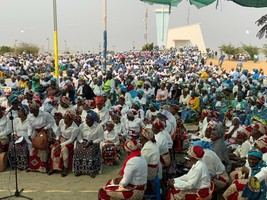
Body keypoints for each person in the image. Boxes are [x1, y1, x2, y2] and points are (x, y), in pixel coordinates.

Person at [27, 99, 56, 173]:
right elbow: (29, 126)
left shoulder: (45, 114)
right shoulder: (29, 116)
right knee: (32, 146)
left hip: (45, 132)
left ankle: (44, 166)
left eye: (31, 108)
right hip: (36, 132)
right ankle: (33, 166)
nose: (30, 109)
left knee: (42, 146)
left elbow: (52, 122)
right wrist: (29, 134)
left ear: (36, 109)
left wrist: (45, 128)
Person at [48, 110, 79, 177]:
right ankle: (53, 168)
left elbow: (71, 140)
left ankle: (65, 168)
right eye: (64, 118)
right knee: (53, 148)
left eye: (66, 119)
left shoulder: (75, 128)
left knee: (64, 150)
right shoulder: (62, 122)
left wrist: (61, 145)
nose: (64, 120)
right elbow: (58, 131)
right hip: (61, 139)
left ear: (71, 120)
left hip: (69, 142)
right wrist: (57, 139)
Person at [74, 109, 103, 177]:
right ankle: (79, 170)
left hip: (94, 143)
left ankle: (91, 171)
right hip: (83, 142)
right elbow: (79, 136)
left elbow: (101, 138)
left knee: (90, 151)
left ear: (93, 120)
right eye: (86, 118)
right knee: (78, 150)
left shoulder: (98, 127)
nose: (87, 120)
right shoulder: (82, 125)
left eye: (89, 119)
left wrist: (92, 142)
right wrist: (82, 142)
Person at [8, 105, 30, 170]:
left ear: (24, 112)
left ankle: (23, 165)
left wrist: (22, 137)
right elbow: (13, 130)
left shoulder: (29, 120)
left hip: (26, 138)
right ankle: (15, 165)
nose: (18, 113)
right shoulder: (16, 120)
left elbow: (30, 132)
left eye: (20, 112)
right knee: (12, 146)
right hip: (17, 138)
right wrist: (15, 135)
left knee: (22, 147)